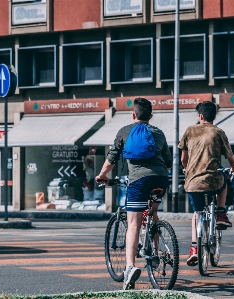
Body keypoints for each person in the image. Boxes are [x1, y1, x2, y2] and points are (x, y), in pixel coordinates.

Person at [95, 97, 172, 290]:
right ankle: (154, 254)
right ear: (151, 116)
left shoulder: (124, 131)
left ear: (133, 114)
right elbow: (169, 162)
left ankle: (129, 268)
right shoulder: (159, 133)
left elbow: (112, 158)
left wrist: (102, 175)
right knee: (153, 214)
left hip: (138, 180)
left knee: (133, 223)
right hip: (161, 179)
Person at [178, 101, 234, 267]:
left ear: (200, 116)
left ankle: (194, 249)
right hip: (212, 179)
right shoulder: (218, 132)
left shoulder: (189, 131)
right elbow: (230, 157)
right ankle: (220, 212)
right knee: (223, 182)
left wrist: (186, 169)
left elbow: (184, 158)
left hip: (193, 182)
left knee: (197, 213)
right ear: (213, 116)